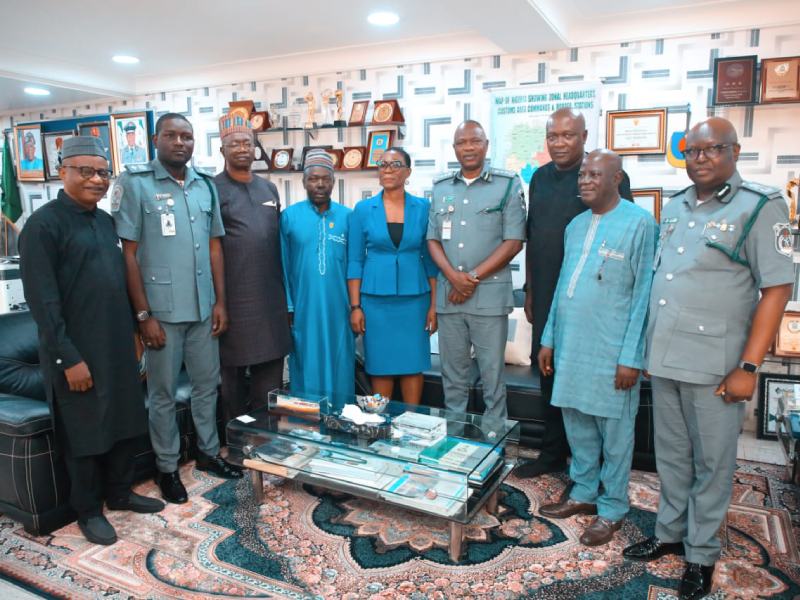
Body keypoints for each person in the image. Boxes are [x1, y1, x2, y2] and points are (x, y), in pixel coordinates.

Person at [622, 117, 793, 600]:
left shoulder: (761, 205)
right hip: (668, 356)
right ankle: (669, 534)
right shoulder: (675, 206)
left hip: (717, 364)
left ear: (734, 151)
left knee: (713, 464)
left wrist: (749, 367)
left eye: (712, 149)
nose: (700, 158)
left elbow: (777, 290)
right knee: (671, 457)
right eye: (692, 150)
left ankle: (700, 554)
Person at [19, 136, 164, 545]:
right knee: (84, 435)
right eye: (86, 171)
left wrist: (136, 335)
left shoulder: (105, 222)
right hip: (76, 353)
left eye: (103, 172)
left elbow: (117, 283)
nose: (97, 179)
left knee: (122, 423)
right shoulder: (43, 226)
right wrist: (68, 359)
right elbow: (43, 304)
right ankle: (87, 511)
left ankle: (119, 493)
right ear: (62, 170)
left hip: (116, 346)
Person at [112, 112, 242, 505]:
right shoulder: (135, 184)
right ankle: (167, 468)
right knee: (164, 395)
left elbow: (215, 245)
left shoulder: (204, 185)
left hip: (203, 308)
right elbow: (128, 255)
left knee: (207, 387)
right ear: (156, 140)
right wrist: (142, 316)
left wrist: (221, 301)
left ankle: (206, 453)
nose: (180, 142)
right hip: (161, 314)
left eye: (187, 136)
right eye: (172, 135)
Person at [536, 150, 656, 546]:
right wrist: (549, 338)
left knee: (616, 434)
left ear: (616, 178)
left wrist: (632, 357)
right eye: (582, 175)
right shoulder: (575, 225)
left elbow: (644, 296)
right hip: (572, 345)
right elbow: (561, 290)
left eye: (594, 175)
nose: (584, 181)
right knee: (577, 423)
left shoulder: (640, 224)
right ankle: (584, 494)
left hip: (612, 350)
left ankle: (613, 509)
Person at [515, 108, 632, 479]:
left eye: (568, 135)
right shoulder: (539, 179)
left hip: (591, 300)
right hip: (548, 293)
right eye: (553, 136)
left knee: (584, 378)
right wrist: (531, 291)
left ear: (584, 137)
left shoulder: (606, 176)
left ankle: (590, 465)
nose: (559, 142)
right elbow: (533, 236)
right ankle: (551, 455)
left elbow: (621, 234)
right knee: (549, 375)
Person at [427, 120, 526, 422]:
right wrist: (454, 278)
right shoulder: (441, 187)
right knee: (452, 379)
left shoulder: (507, 183)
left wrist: (470, 279)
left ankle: (495, 442)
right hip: (450, 299)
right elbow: (432, 239)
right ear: (455, 148)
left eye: (475, 141)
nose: (468, 147)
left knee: (492, 380)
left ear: (486, 145)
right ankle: (455, 442)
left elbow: (514, 241)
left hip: (489, 300)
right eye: (461, 142)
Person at [215, 114, 291, 421]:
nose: (242, 148)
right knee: (231, 382)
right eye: (234, 143)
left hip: (270, 299)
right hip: (232, 300)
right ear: (223, 150)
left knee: (269, 380)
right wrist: (218, 301)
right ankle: (234, 441)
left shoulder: (268, 189)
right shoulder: (212, 189)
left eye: (248, 142)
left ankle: (266, 439)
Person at [347, 147, 438, 404]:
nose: (387, 169)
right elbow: (355, 261)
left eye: (395, 164)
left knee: (412, 364)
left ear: (408, 172)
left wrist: (434, 304)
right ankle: (381, 425)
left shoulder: (423, 207)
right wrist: (356, 306)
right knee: (380, 364)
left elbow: (430, 259)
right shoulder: (363, 209)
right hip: (375, 302)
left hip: (415, 300)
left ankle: (411, 424)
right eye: (382, 164)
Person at [280, 149, 354, 402]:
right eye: (313, 178)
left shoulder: (348, 217)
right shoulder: (289, 217)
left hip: (339, 309)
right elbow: (282, 264)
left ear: (334, 181)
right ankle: (307, 428)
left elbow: (355, 267)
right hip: (302, 308)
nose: (320, 184)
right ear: (304, 182)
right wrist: (289, 307)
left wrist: (355, 306)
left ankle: (341, 421)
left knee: (340, 362)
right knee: (305, 363)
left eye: (325, 178)